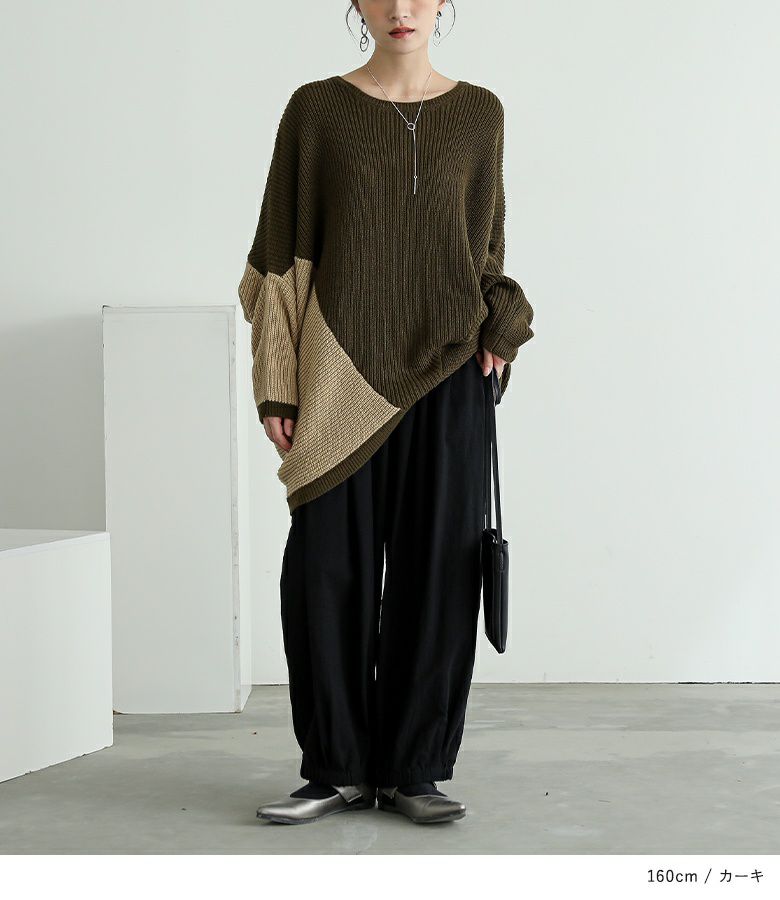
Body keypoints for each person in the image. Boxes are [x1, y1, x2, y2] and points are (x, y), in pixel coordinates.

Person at [238, 0, 534, 826]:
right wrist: (278, 383)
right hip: (339, 378)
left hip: (450, 373)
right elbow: (279, 259)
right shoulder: (316, 111)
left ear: (443, 3)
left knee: (439, 573)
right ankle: (333, 768)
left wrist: (501, 326)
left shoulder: (480, 113)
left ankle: (415, 770)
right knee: (325, 572)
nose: (401, 9)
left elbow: (486, 250)